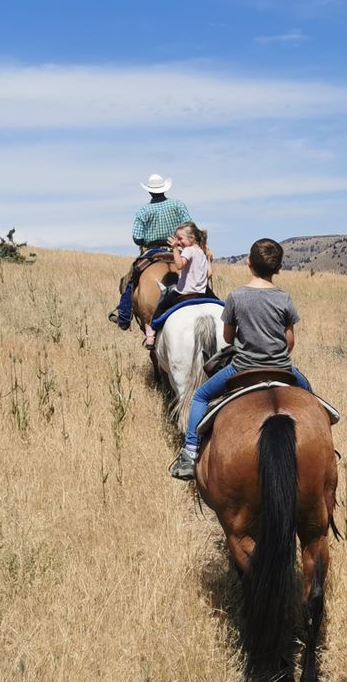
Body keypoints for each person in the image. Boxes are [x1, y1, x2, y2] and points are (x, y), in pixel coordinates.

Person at [169, 237, 312, 480]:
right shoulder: (285, 299)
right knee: (310, 399)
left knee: (200, 396)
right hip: (282, 368)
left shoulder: (236, 296)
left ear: (249, 263)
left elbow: (228, 337)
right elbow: (290, 342)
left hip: (242, 368)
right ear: (278, 268)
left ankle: (190, 452)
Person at [111, 174, 193, 330]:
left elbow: (137, 237)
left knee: (132, 278)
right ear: (165, 189)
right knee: (197, 272)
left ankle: (124, 317)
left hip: (152, 251)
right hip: (178, 249)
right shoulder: (178, 205)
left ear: (149, 191)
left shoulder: (143, 211)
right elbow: (190, 227)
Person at [143, 221, 213, 347]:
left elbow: (179, 265)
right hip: (202, 293)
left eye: (181, 239)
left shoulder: (188, 250)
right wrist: (209, 260)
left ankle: (151, 333)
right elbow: (209, 274)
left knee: (161, 306)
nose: (179, 242)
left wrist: (175, 248)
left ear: (192, 237)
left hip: (184, 292)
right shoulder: (202, 253)